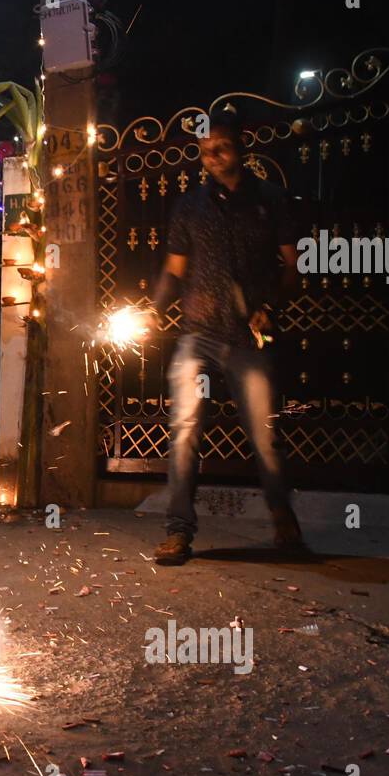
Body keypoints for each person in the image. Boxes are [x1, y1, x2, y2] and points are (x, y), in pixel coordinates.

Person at [144, 109, 304, 566]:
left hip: (248, 340)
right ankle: (178, 532)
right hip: (198, 336)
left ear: (242, 146)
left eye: (221, 148)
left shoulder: (271, 200)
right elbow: (174, 270)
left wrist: (270, 307)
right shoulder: (189, 206)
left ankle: (283, 520)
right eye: (203, 150)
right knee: (184, 431)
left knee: (265, 434)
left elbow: (295, 266)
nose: (211, 157)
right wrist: (154, 311)